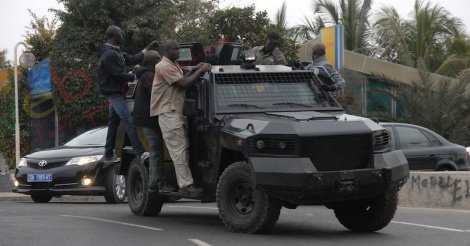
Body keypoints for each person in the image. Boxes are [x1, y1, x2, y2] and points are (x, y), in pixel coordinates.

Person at [150, 40, 211, 196]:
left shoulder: (173, 64)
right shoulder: (163, 66)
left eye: (179, 48)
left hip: (176, 112)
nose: (178, 51)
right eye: (175, 49)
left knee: (183, 149)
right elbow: (183, 83)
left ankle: (188, 182)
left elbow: (184, 77)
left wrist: (195, 69)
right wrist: (200, 70)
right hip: (168, 113)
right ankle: (186, 185)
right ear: (167, 50)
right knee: (179, 151)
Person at [97, 25, 157, 163]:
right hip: (114, 94)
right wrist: (134, 76)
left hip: (116, 93)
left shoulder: (115, 52)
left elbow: (132, 59)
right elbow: (117, 74)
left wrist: (147, 48)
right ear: (113, 35)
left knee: (113, 122)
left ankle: (108, 154)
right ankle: (140, 153)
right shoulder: (109, 54)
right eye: (120, 33)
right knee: (128, 120)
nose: (122, 35)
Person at [133, 50, 175, 192]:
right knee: (156, 151)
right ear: (152, 61)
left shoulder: (145, 75)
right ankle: (157, 184)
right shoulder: (150, 77)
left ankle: (154, 183)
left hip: (147, 119)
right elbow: (157, 96)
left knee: (156, 151)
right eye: (158, 58)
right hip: (150, 120)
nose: (160, 59)